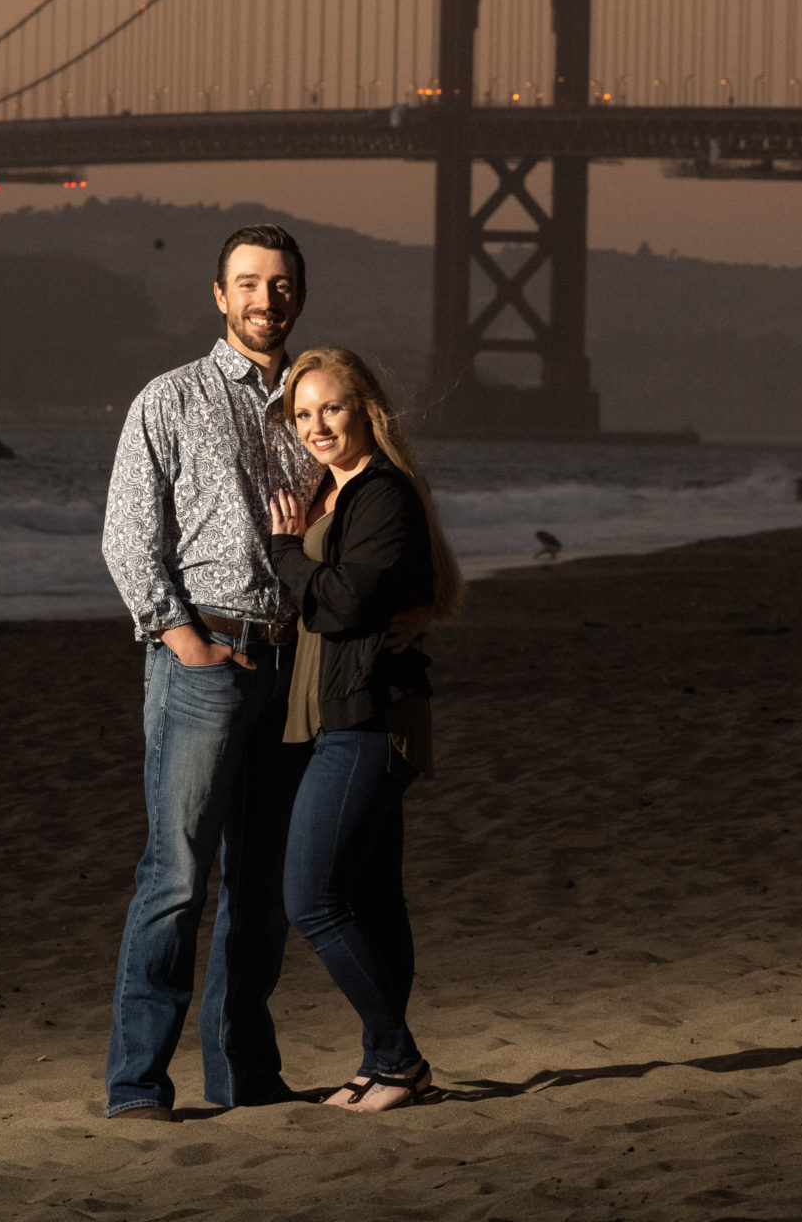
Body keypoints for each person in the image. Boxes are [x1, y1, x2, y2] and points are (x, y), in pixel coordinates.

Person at [99, 223, 322, 1121]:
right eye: (248, 284)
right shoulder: (172, 398)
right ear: (219, 297)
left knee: (262, 885)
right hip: (205, 664)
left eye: (281, 284)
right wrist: (180, 637)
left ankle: (245, 1082)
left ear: (299, 295)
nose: (266, 299)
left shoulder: (317, 402)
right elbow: (126, 534)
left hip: (294, 666)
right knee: (179, 877)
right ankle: (138, 1086)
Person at [269, 346, 463, 1114]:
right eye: (303, 413)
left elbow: (346, 602)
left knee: (310, 897)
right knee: (377, 903)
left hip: (369, 720)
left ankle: (399, 1060)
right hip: (339, 717)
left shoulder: (380, 490)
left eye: (332, 408)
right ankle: (380, 1064)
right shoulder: (332, 490)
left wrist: (284, 551)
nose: (317, 425)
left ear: (366, 409)